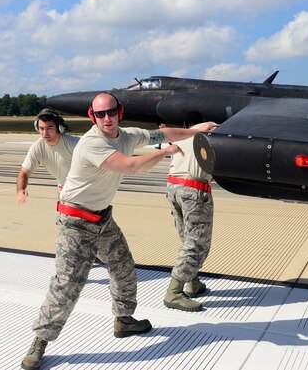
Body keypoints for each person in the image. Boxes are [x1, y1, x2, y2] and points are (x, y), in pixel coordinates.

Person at [21, 92, 218, 370]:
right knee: (68, 284)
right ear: (92, 116)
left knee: (123, 267)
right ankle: (39, 342)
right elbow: (131, 166)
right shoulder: (92, 143)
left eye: (111, 112)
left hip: (102, 219)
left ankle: (124, 320)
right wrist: (165, 152)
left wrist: (194, 131)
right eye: (100, 114)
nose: (106, 118)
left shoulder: (127, 135)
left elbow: (160, 133)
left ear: (119, 111)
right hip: (75, 222)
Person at [163, 112, 215, 312]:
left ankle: (193, 282)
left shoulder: (182, 135)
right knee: (197, 242)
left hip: (173, 187)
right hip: (193, 190)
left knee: (187, 238)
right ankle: (174, 292)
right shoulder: (209, 128)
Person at [17, 108, 78, 205]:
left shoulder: (74, 144)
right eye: (41, 128)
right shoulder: (37, 147)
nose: (45, 133)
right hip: (64, 190)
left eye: (49, 128)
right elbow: (24, 173)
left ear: (59, 128)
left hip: (86, 190)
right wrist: (21, 190)